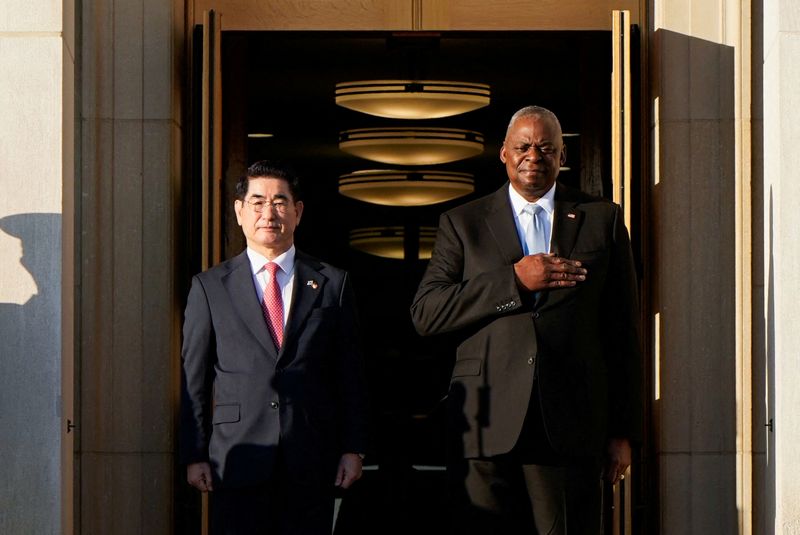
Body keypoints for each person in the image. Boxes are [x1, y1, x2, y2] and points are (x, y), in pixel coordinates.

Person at [411, 106, 642, 534]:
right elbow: (427, 313)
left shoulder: (602, 219)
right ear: (503, 153)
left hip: (570, 423)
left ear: (562, 154)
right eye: (522, 146)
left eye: (545, 147)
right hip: (484, 421)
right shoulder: (463, 223)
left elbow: (622, 333)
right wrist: (514, 281)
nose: (533, 156)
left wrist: (623, 431)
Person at [180, 160, 368, 535]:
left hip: (311, 452)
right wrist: (194, 453)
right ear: (239, 211)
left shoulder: (332, 283)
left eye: (280, 202)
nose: (269, 213)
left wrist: (353, 447)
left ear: (297, 212)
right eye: (258, 202)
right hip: (237, 454)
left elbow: (350, 372)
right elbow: (193, 380)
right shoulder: (209, 287)